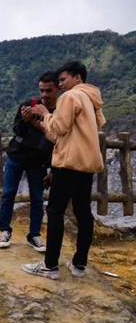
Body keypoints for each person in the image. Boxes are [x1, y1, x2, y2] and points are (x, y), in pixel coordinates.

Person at [21, 60, 106, 279]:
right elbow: (68, 133)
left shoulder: (70, 96)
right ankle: (79, 265)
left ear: (77, 77)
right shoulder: (91, 99)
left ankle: (50, 266)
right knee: (83, 212)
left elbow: (58, 127)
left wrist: (45, 113)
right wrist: (40, 124)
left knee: (55, 211)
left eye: (62, 79)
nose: (60, 85)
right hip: (87, 164)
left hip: (69, 163)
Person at [0, 71, 59, 252]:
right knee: (8, 194)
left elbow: (60, 140)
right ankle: (4, 231)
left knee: (37, 199)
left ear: (57, 89)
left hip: (39, 162)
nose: (44, 95)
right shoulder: (28, 105)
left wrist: (53, 168)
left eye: (48, 91)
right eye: (42, 90)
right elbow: (17, 130)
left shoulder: (61, 112)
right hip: (16, 156)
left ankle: (34, 235)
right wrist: (25, 121)